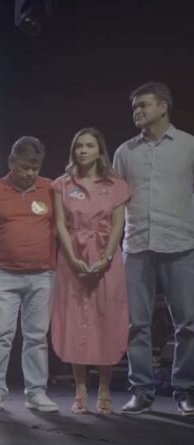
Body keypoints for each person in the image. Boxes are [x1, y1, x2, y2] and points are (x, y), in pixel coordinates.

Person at [114, 82, 194, 416]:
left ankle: (185, 389)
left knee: (188, 323)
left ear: (163, 107)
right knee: (136, 323)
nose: (137, 110)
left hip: (181, 243)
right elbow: (115, 202)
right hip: (137, 245)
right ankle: (142, 391)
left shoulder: (189, 145)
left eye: (143, 104)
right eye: (134, 106)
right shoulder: (125, 152)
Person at [50, 127, 129, 415]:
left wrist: (106, 258)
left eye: (89, 145)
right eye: (79, 146)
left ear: (99, 151)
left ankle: (105, 389)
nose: (83, 150)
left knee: (105, 319)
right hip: (72, 258)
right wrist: (73, 259)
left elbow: (119, 224)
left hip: (107, 258)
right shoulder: (61, 184)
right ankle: (80, 389)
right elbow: (60, 226)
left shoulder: (116, 184)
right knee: (75, 321)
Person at [0, 136, 59, 413]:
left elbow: (61, 226)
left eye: (35, 168)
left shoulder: (50, 188)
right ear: (11, 162)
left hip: (42, 274)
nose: (30, 173)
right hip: (3, 273)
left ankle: (36, 392)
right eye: (24, 167)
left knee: (37, 336)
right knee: (0, 333)